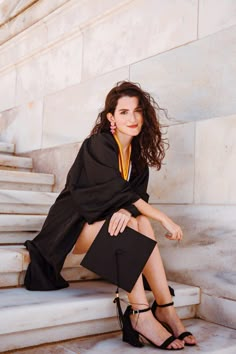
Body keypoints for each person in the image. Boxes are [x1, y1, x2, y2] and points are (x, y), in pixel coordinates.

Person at [24, 81, 196, 350]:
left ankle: (165, 309)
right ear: (111, 117)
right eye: (124, 112)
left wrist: (128, 211)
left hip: (101, 228)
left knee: (138, 221)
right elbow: (113, 192)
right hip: (71, 231)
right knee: (127, 224)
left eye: (137, 111)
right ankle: (140, 314)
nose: (132, 118)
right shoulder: (98, 144)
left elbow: (132, 200)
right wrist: (163, 218)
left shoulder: (137, 159)